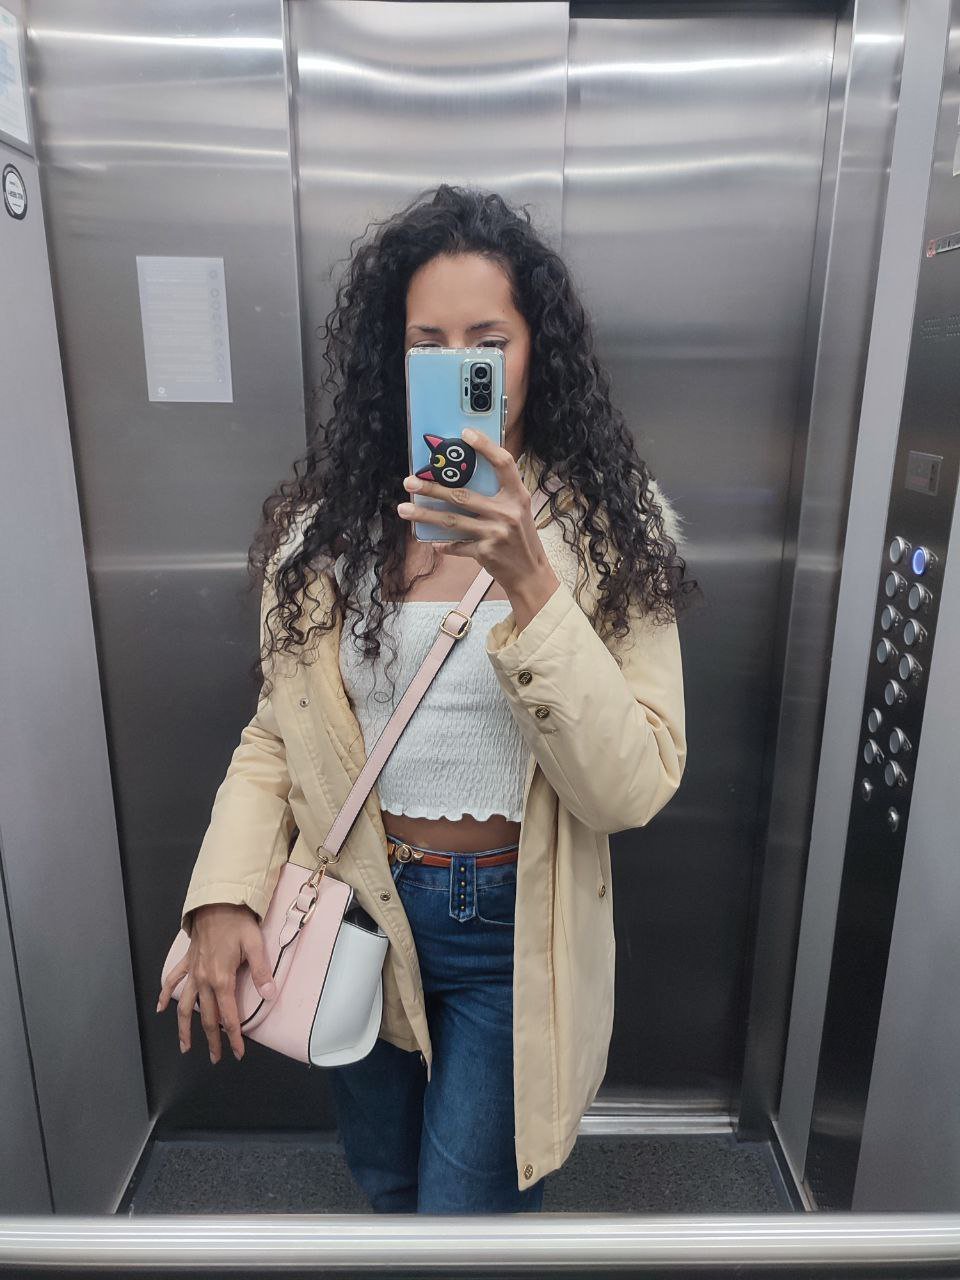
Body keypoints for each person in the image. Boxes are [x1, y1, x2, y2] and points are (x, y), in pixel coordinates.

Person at [157, 184, 696, 1215]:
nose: (459, 369)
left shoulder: (612, 532)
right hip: (353, 902)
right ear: (392, 358)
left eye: (487, 344)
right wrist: (223, 889)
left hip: (512, 924)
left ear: (536, 352)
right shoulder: (327, 535)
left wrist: (532, 585)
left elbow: (633, 786)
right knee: (389, 1181)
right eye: (428, 344)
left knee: (467, 1214)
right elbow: (277, 735)